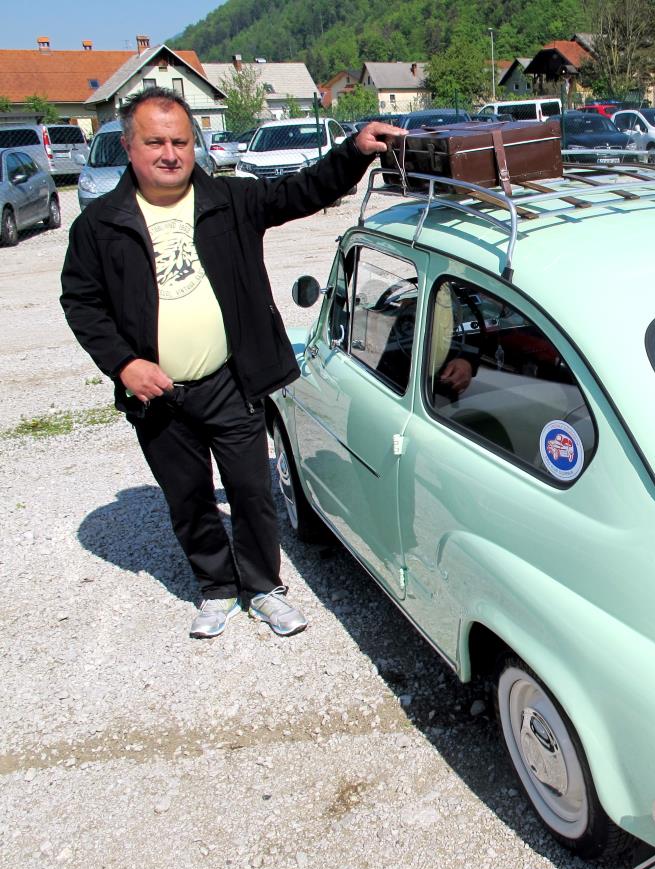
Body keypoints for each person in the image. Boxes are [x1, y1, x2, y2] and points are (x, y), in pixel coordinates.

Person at [60, 87, 403, 639]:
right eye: (155, 142)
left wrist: (354, 151)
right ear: (128, 146)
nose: (170, 154)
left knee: (251, 492)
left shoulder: (229, 199)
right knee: (189, 498)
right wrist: (123, 365)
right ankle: (216, 588)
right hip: (158, 396)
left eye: (180, 142)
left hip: (231, 381)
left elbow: (303, 189)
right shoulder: (100, 224)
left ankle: (264, 588)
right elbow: (82, 302)